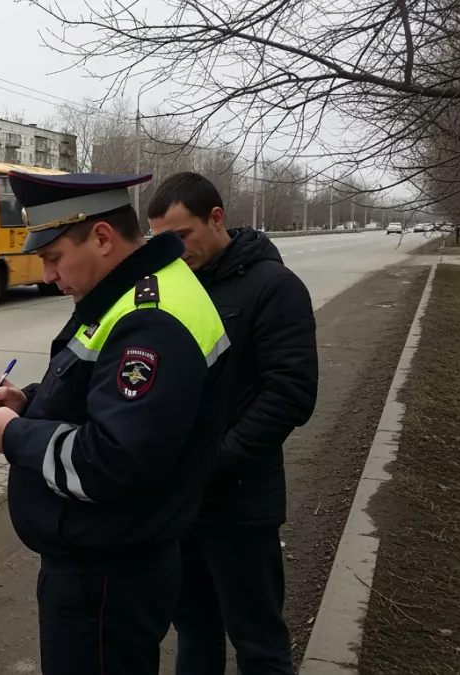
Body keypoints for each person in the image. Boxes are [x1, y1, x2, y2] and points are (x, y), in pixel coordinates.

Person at [0, 170, 231, 675]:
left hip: (108, 574)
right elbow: (103, 398)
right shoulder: (137, 293)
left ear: (103, 238)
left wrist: (13, 435)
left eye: (53, 258)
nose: (47, 275)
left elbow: (113, 460)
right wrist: (28, 401)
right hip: (117, 559)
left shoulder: (149, 318)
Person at [146, 172, 318, 675]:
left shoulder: (275, 287)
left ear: (216, 218)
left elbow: (291, 395)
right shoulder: (171, 289)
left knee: (258, 640)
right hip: (180, 505)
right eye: (162, 241)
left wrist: (215, 461)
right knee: (195, 631)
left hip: (240, 504)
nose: (174, 250)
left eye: (183, 236)